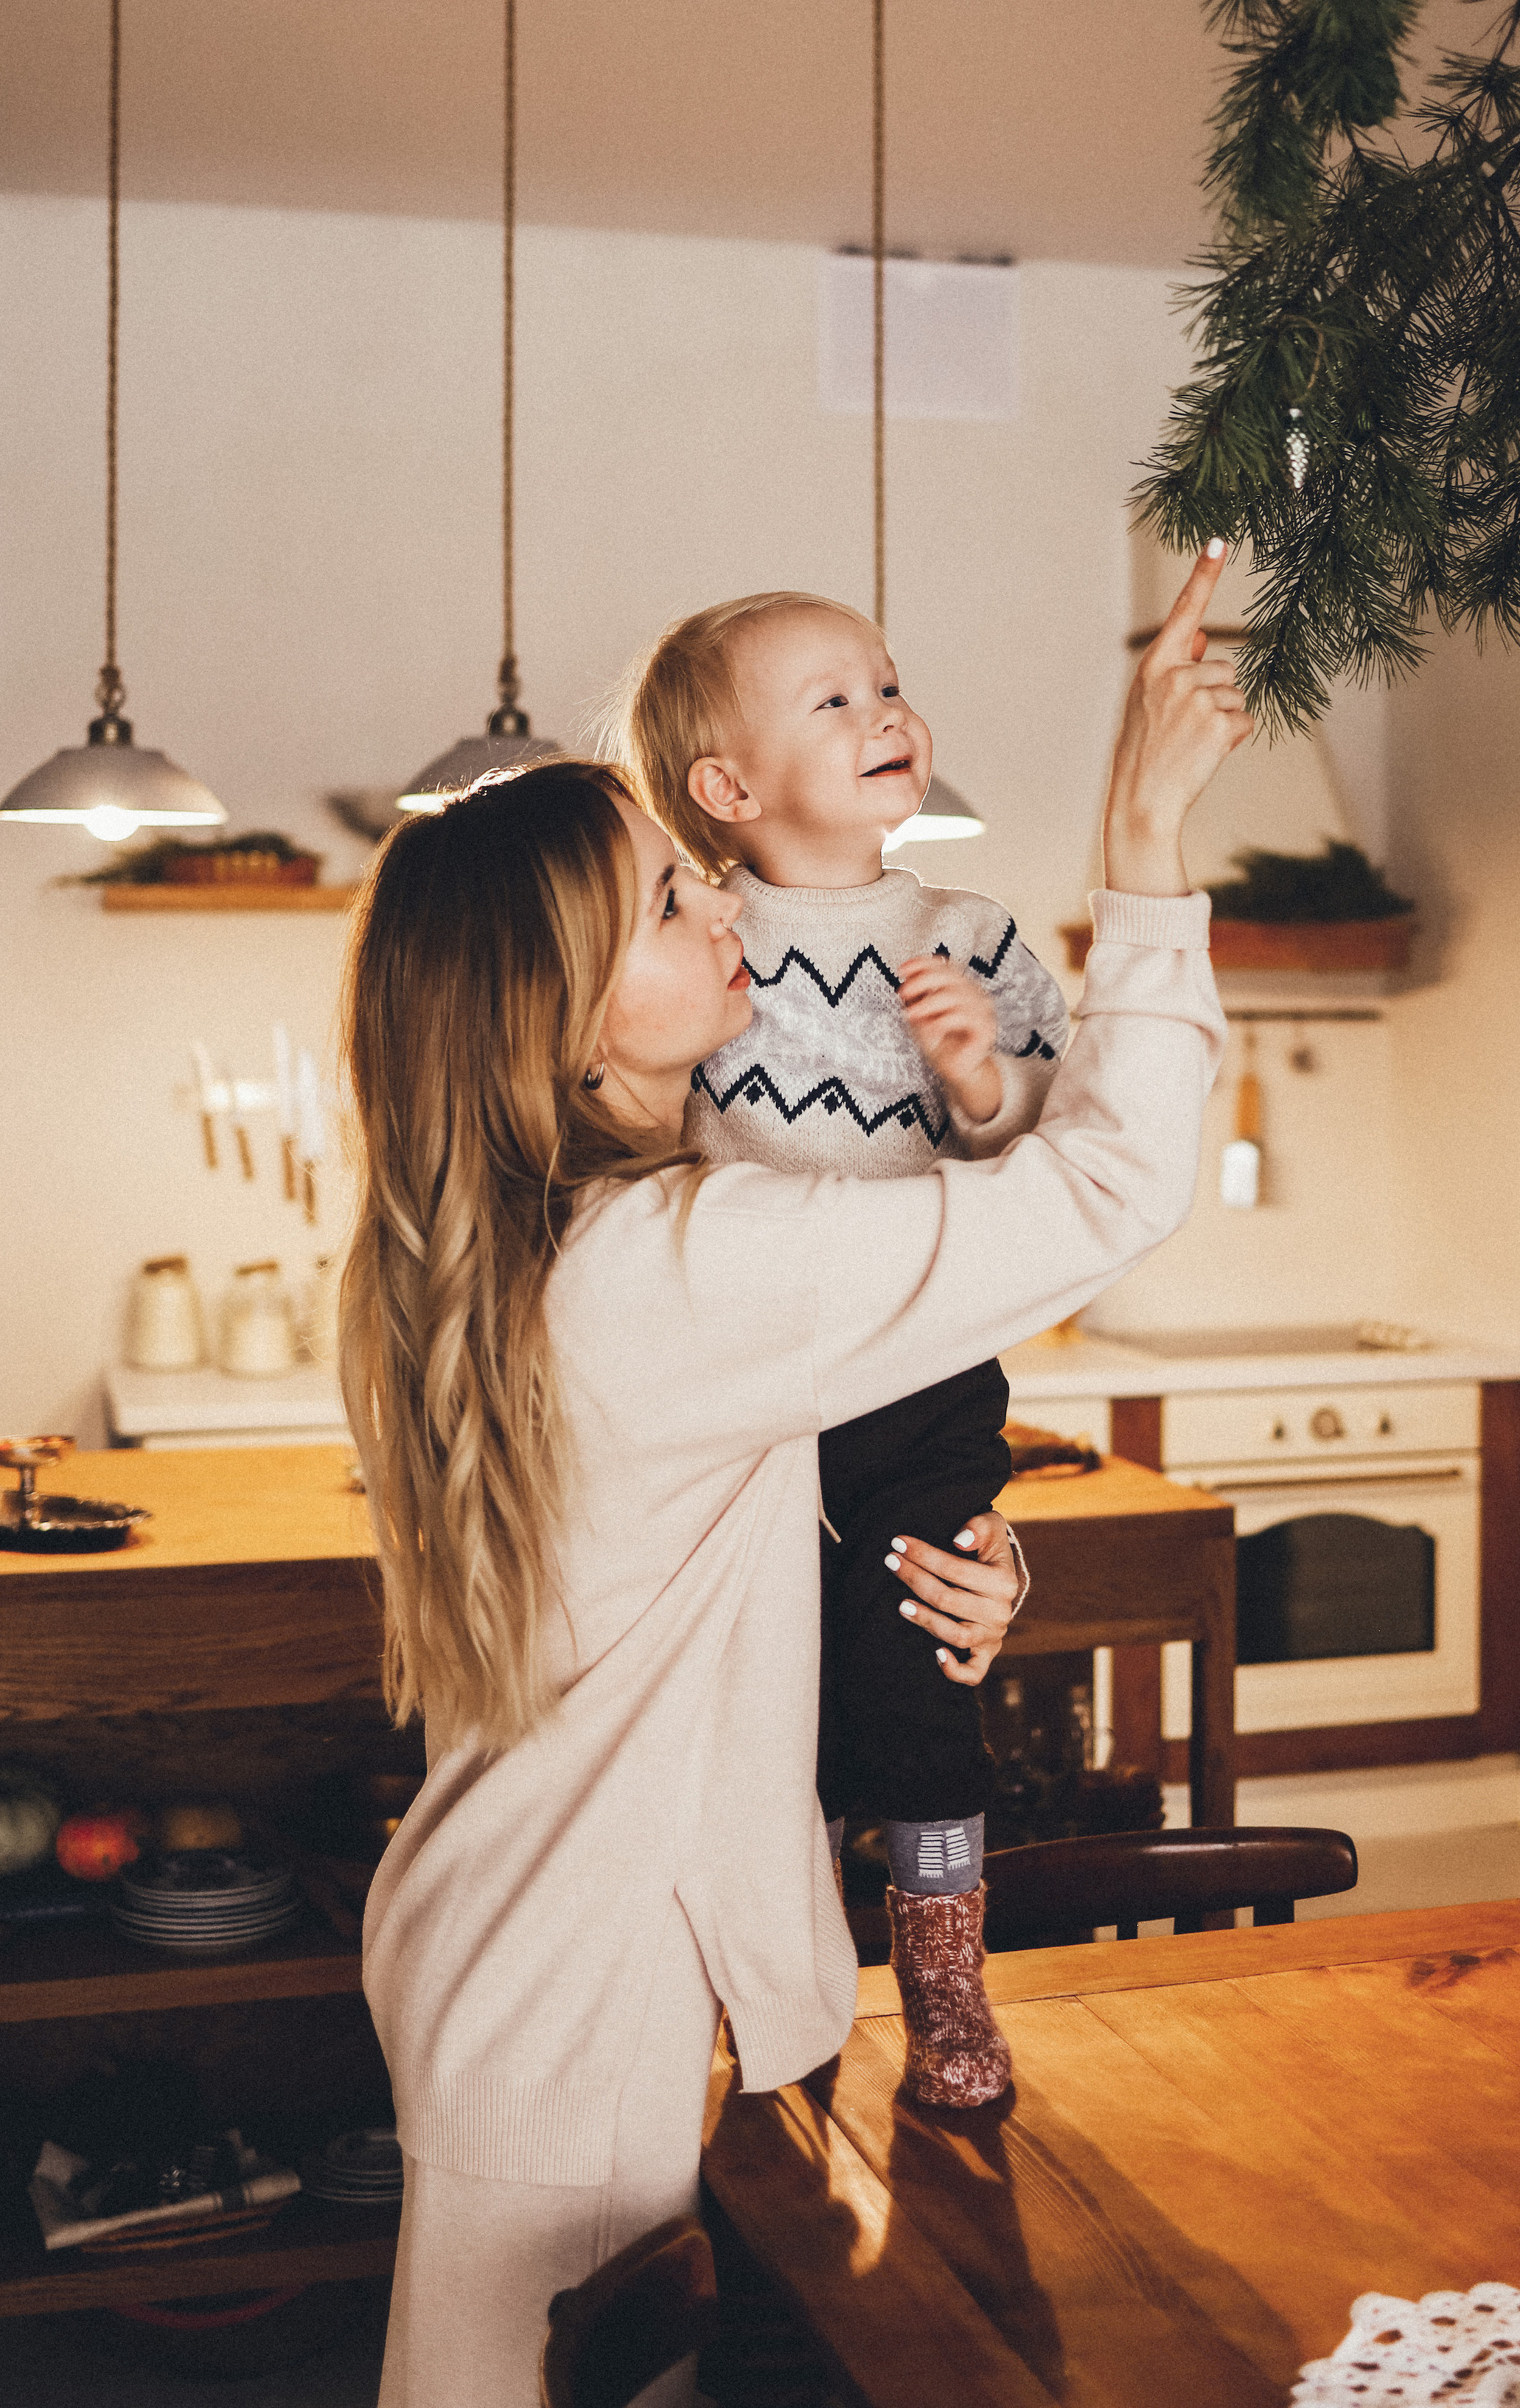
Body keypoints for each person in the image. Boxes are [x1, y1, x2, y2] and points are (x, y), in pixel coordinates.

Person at [341, 547, 1247, 2408]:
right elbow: (1103, 1190)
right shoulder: (667, 1265)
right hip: (585, 1999)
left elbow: (723, 1532)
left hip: (544, 1956)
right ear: (569, 1009)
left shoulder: (559, 1243)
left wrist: (942, 1562)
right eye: (672, 898)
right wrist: (1144, 838)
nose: (723, 905)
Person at [607, 588, 1072, 2106]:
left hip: (922, 1376)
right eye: (834, 701)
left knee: (919, 1677)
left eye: (888, 684)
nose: (887, 715)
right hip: (751, 1388)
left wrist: (979, 1078)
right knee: (768, 1701)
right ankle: (783, 1991)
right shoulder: (700, 939)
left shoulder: (970, 932)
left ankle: (944, 1988)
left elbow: (1052, 1155)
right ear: (726, 789)